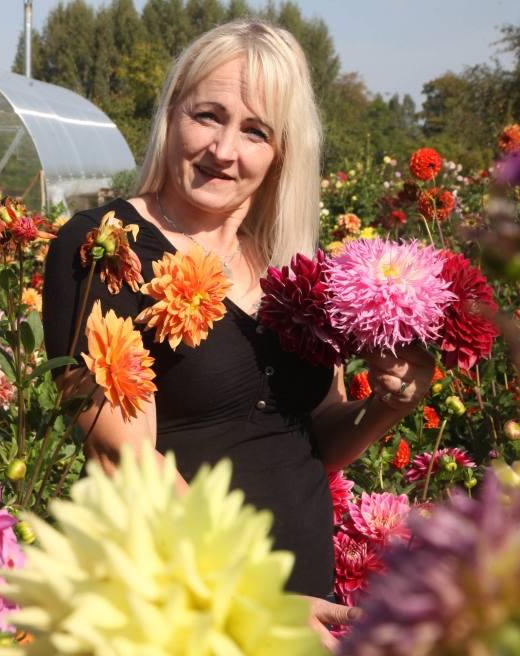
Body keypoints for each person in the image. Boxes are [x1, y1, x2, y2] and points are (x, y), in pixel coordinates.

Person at [42, 18, 435, 652]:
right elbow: (122, 459)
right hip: (184, 608)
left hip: (304, 608)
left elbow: (311, 439)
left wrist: (387, 405)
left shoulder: (289, 269)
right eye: (208, 115)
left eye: (255, 131)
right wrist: (253, 594)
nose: (224, 150)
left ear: (283, 152)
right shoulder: (103, 246)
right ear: (171, 114)